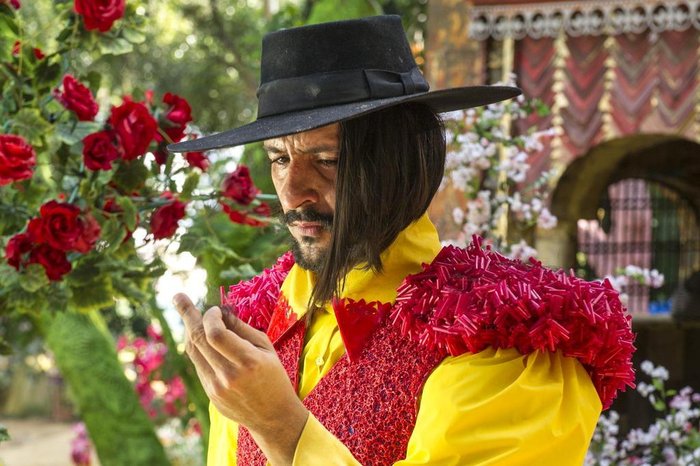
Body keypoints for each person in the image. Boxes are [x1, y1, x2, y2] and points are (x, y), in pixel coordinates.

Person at [168, 15, 635, 466]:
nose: (293, 192)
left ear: (399, 166)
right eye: (279, 159)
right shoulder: (259, 324)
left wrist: (279, 426)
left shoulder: (505, 340)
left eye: (327, 160)